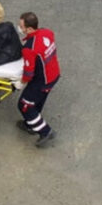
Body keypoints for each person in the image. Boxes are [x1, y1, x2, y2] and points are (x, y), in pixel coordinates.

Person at [14, 12, 61, 147]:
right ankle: (31, 124)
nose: (19, 28)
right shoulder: (47, 32)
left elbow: (28, 73)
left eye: (21, 26)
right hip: (53, 75)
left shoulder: (29, 47)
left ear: (29, 29)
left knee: (25, 105)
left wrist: (20, 83)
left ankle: (45, 132)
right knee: (37, 100)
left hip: (41, 80)